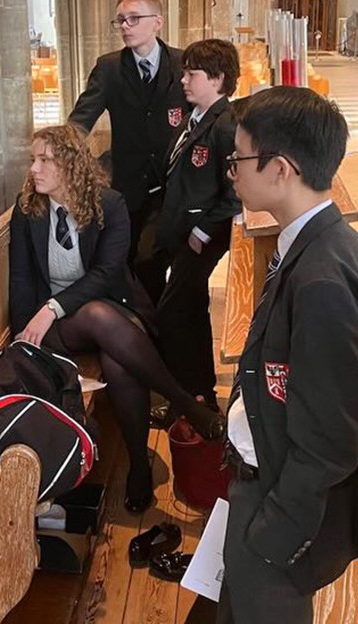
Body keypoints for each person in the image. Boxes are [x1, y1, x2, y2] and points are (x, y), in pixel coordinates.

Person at [210, 86, 358, 624]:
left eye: (239, 159)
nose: (232, 172)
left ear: (281, 168)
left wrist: (275, 531)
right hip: (261, 481)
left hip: (281, 506)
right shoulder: (320, 243)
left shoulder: (320, 277)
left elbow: (334, 438)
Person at [8, 124, 223, 513]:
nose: (34, 169)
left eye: (45, 160)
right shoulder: (27, 212)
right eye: (33, 160)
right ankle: (186, 405)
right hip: (55, 327)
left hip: (110, 310)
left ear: (71, 166)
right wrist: (32, 324)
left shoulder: (110, 205)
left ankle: (138, 467)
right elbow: (22, 279)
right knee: (95, 317)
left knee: (117, 362)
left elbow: (106, 274)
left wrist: (52, 308)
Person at [149, 39, 242, 411]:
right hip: (179, 231)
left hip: (201, 238)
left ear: (217, 78)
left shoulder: (226, 126)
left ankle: (183, 399)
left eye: (192, 74)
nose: (184, 80)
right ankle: (201, 392)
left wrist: (201, 232)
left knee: (171, 315)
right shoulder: (195, 118)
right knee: (191, 311)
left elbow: (234, 192)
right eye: (184, 72)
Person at [68, 0, 188, 271]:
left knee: (167, 263)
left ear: (158, 21)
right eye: (120, 19)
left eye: (133, 18)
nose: (124, 25)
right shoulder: (109, 68)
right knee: (131, 263)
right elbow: (80, 121)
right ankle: (139, 314)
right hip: (129, 185)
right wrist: (59, 154)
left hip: (174, 185)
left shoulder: (183, 63)